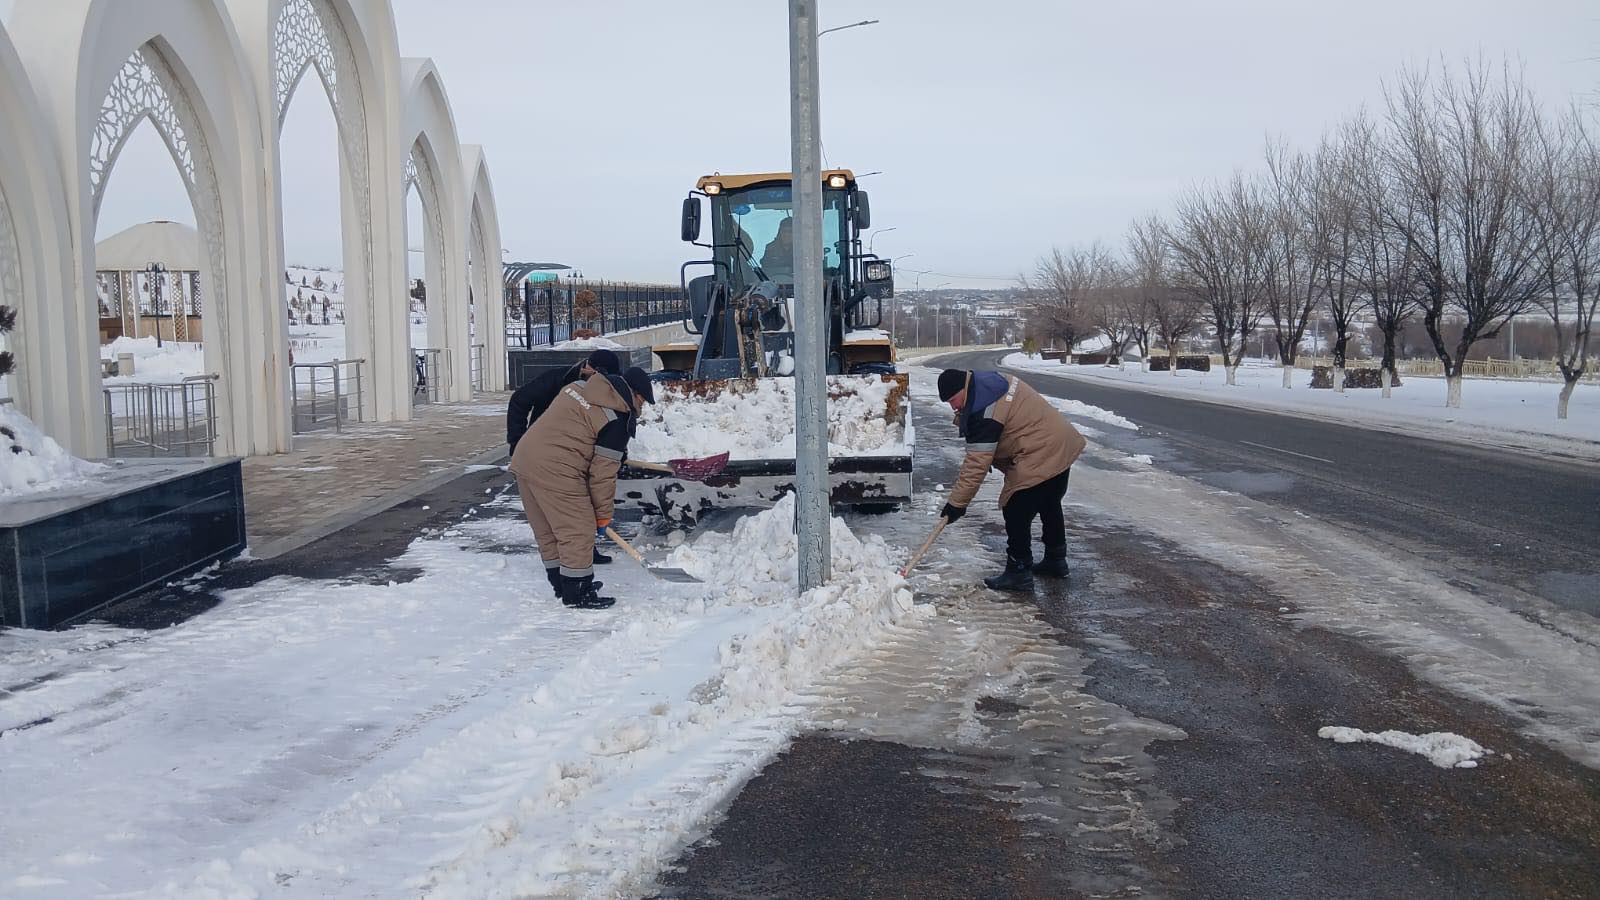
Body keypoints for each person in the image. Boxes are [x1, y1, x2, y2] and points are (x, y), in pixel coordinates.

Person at [510, 366, 655, 610]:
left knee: (548, 530)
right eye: (643, 401)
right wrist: (602, 516)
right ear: (635, 395)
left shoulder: (579, 387)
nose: (642, 407)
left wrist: (614, 452)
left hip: (524, 459)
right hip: (557, 467)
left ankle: (562, 583)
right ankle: (578, 593)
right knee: (578, 528)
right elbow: (602, 476)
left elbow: (576, 429)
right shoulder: (618, 418)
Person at [936, 368, 1086, 591]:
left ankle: (1018, 570)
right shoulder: (990, 381)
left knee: (1015, 507)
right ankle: (1056, 559)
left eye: (953, 399)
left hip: (1040, 451)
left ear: (963, 389)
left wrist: (957, 504)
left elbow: (976, 466)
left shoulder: (983, 410)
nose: (953, 406)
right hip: (1060, 443)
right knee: (1049, 501)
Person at [506, 348, 621, 454]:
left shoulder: (610, 387)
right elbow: (519, 400)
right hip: (544, 444)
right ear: (589, 369)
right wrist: (518, 442)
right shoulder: (557, 379)